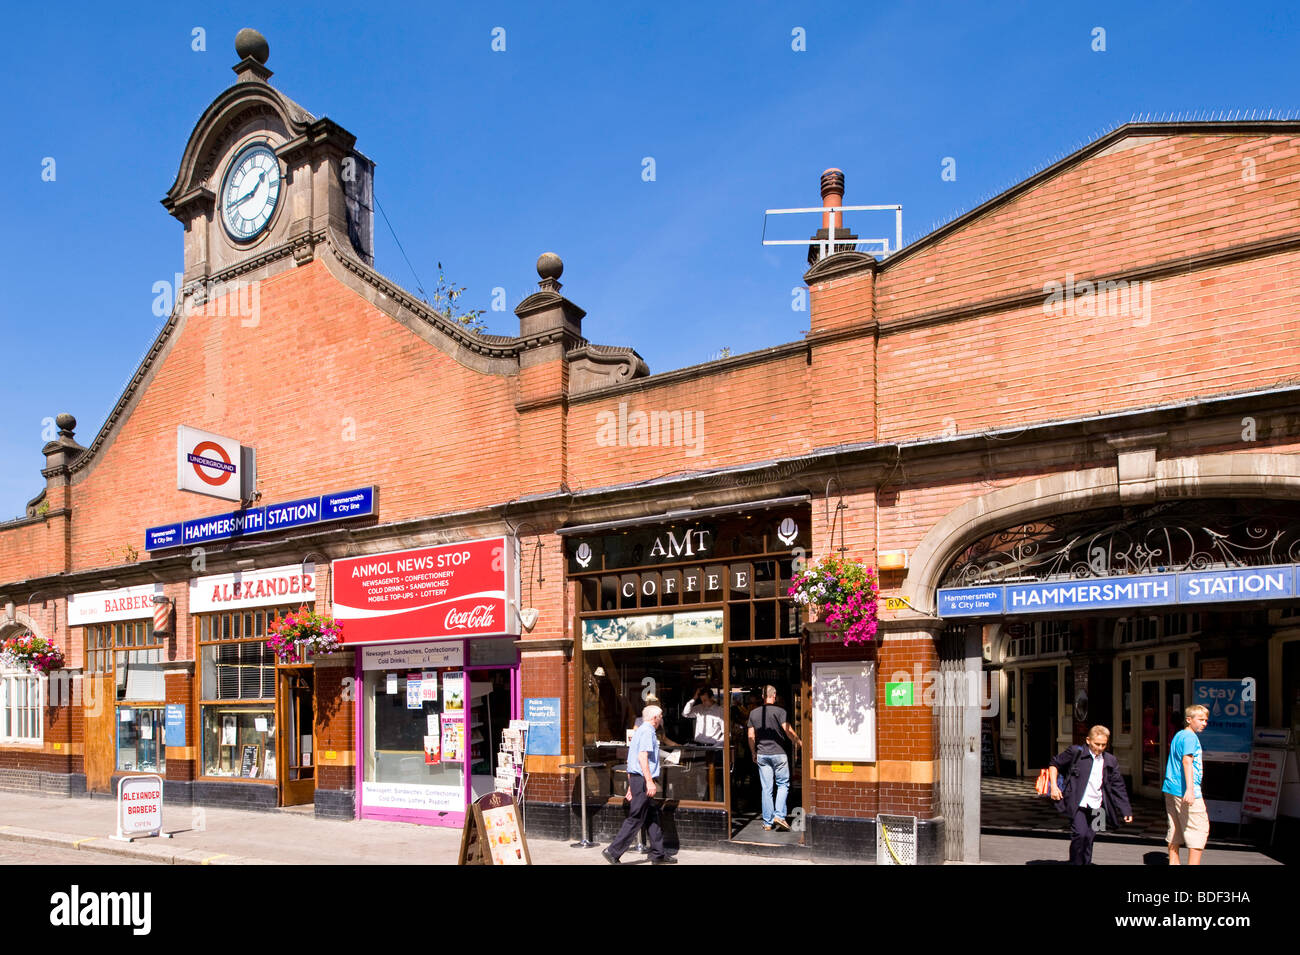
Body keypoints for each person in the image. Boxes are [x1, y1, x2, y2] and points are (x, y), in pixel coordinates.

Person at [1049, 725, 1133, 865]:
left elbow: (1118, 785)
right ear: (1088, 740)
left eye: (1103, 745)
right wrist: (1054, 787)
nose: (1100, 748)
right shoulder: (1076, 752)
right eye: (1097, 744)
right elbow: (1054, 764)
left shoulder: (1110, 760)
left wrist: (1126, 809)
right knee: (1080, 834)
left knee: (1090, 838)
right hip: (1079, 804)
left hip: (1099, 807)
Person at [603, 705, 675, 865]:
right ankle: (613, 851)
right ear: (655, 718)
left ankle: (658, 854)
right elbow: (642, 757)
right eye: (661, 715)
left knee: (652, 815)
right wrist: (648, 781)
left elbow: (631, 759)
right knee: (636, 817)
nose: (662, 718)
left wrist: (631, 784)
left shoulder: (640, 731)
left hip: (638, 780)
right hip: (643, 780)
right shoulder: (648, 731)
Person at [747, 685, 801, 831]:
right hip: (778, 753)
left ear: (763, 697)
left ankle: (767, 822)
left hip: (762, 754)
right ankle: (779, 815)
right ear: (774, 695)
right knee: (783, 784)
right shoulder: (780, 711)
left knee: (766, 789)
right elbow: (788, 731)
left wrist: (753, 752)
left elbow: (751, 736)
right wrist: (799, 742)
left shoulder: (753, 713)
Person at [1163, 704, 1210, 866]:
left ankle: (1174, 862)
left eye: (1206, 720)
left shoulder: (1179, 735)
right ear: (1189, 720)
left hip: (1170, 787)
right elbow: (1187, 761)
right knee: (1198, 829)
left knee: (1175, 826)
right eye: (1201, 719)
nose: (1204, 723)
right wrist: (1190, 789)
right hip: (1185, 790)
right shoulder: (1190, 737)